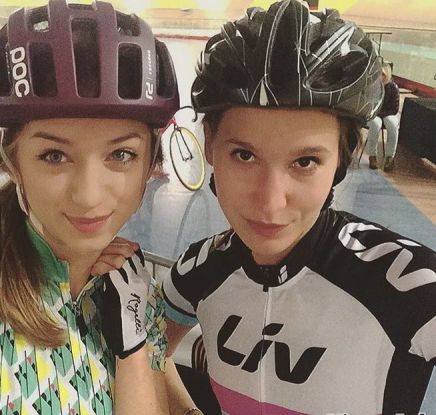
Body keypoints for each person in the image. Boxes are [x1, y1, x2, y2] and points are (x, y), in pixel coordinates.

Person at [161, 1, 436, 414]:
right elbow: (147, 353)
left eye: (305, 162)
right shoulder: (198, 269)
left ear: (342, 160)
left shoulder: (410, 288)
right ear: (210, 144)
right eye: (244, 155)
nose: (271, 201)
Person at [0, 0, 181, 414]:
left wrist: (134, 343)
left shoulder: (139, 297)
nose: (88, 196)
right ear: (12, 162)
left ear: (151, 166)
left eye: (121, 155)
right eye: (53, 155)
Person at [366, 61, 400, 171]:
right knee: (375, 124)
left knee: (393, 125)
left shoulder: (393, 87)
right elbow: (369, 105)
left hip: (388, 113)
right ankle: (372, 156)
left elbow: (394, 109)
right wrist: (378, 115)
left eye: (383, 74)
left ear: (388, 75)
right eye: (379, 73)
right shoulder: (372, 86)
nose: (381, 76)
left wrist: (382, 115)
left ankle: (390, 157)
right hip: (374, 113)